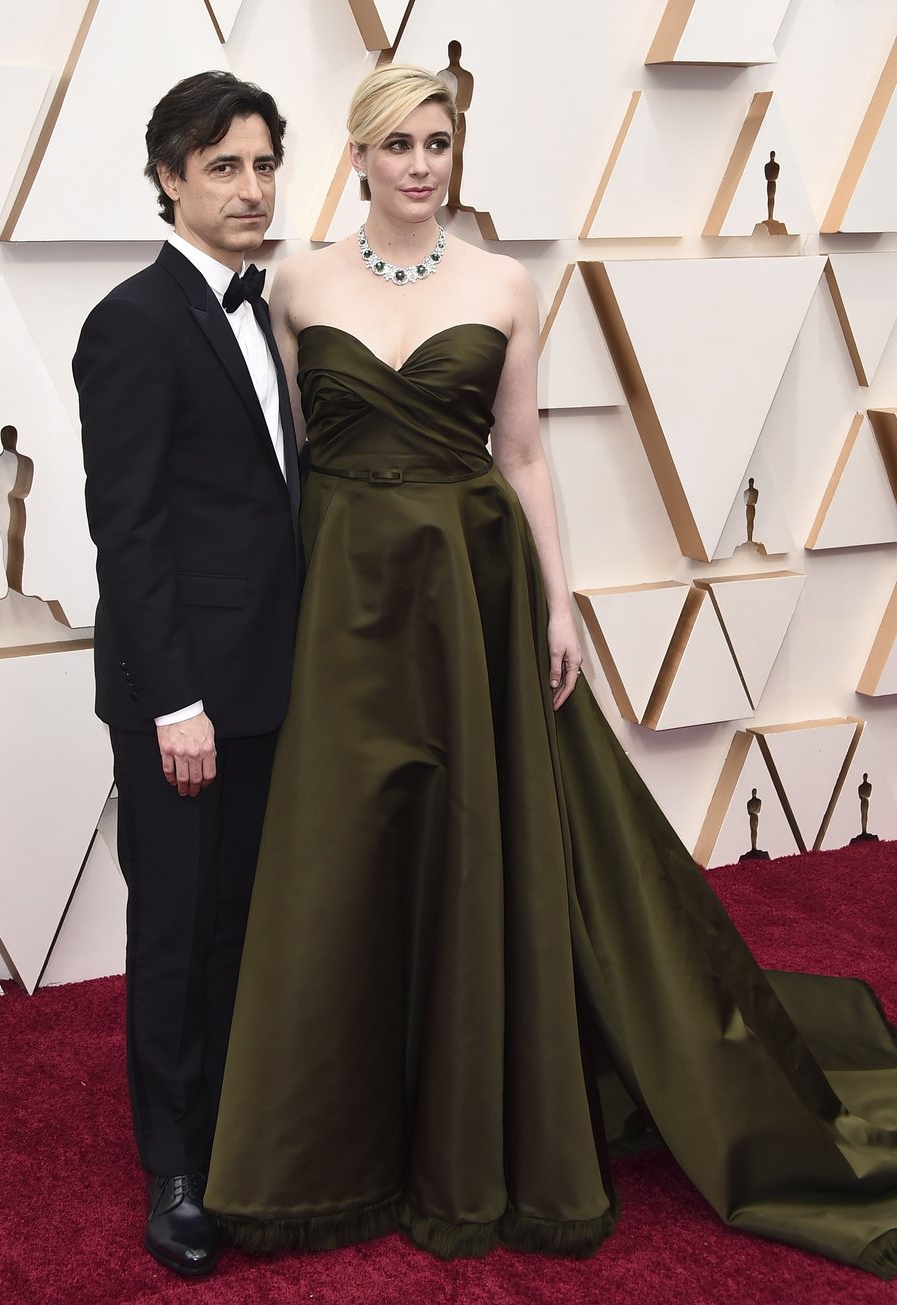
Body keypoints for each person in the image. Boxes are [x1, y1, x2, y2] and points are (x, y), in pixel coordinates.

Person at [206, 66, 897, 1276]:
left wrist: (561, 604)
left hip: (475, 595)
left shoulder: (506, 284)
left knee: (480, 835)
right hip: (346, 601)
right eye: (400, 144)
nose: (423, 164)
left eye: (440, 143)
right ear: (358, 157)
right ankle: (328, 1146)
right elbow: (298, 456)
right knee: (343, 850)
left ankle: (475, 1127)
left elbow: (521, 453)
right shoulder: (298, 283)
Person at [73, 70, 300, 1278]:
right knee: (173, 925)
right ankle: (173, 1170)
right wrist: (175, 702)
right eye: (224, 166)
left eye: (264, 165)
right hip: (186, 696)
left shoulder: (275, 310)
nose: (251, 188)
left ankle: (234, 1139)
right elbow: (131, 530)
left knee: (243, 929)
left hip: (276, 679)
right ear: (169, 177)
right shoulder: (132, 320)